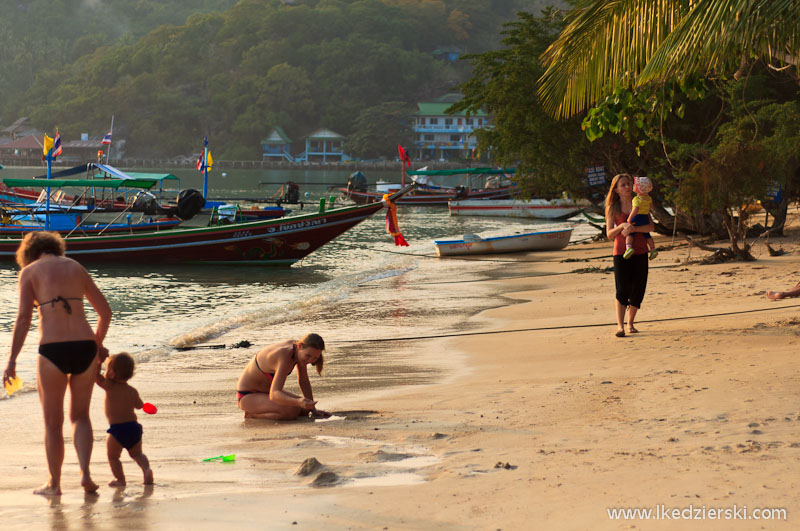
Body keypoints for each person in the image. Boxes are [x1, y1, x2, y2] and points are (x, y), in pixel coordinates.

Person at [3, 232, 112, 496]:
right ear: (56, 247)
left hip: (52, 350)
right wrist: (97, 344)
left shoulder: (29, 272)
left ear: (28, 252)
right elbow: (105, 312)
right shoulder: (76, 267)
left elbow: (22, 320)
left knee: (53, 423)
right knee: (81, 416)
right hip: (85, 347)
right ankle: (86, 474)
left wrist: (12, 359)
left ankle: (55, 483)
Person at [236, 333, 331, 420]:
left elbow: (303, 381)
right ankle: (251, 415)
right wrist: (298, 402)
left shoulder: (299, 352)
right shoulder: (284, 355)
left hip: (264, 393)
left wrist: (313, 409)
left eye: (315, 358)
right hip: (248, 396)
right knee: (291, 412)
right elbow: (275, 394)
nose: (310, 360)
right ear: (300, 346)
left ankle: (264, 409)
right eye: (308, 356)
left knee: (305, 409)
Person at [605, 174, 655, 338]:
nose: (627, 187)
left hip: (640, 250)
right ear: (617, 190)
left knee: (639, 288)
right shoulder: (613, 207)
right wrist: (622, 226)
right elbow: (609, 234)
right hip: (621, 252)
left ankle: (630, 323)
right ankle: (620, 326)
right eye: (623, 185)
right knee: (622, 289)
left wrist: (634, 229)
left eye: (628, 184)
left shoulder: (640, 202)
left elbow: (651, 226)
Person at [96, 353, 154, 487]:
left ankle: (120, 480)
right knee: (138, 454)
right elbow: (140, 405)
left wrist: (98, 362)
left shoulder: (109, 386)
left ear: (111, 372)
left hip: (117, 430)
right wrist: (147, 407)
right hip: (133, 428)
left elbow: (96, 377)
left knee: (113, 457)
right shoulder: (132, 391)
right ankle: (146, 469)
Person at [623, 176, 658, 260]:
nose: (633, 186)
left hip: (637, 216)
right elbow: (651, 207)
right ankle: (653, 249)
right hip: (645, 217)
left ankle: (628, 248)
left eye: (635, 185)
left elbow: (635, 209)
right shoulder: (649, 198)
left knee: (630, 233)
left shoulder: (636, 199)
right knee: (647, 234)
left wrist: (629, 218)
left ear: (639, 189)